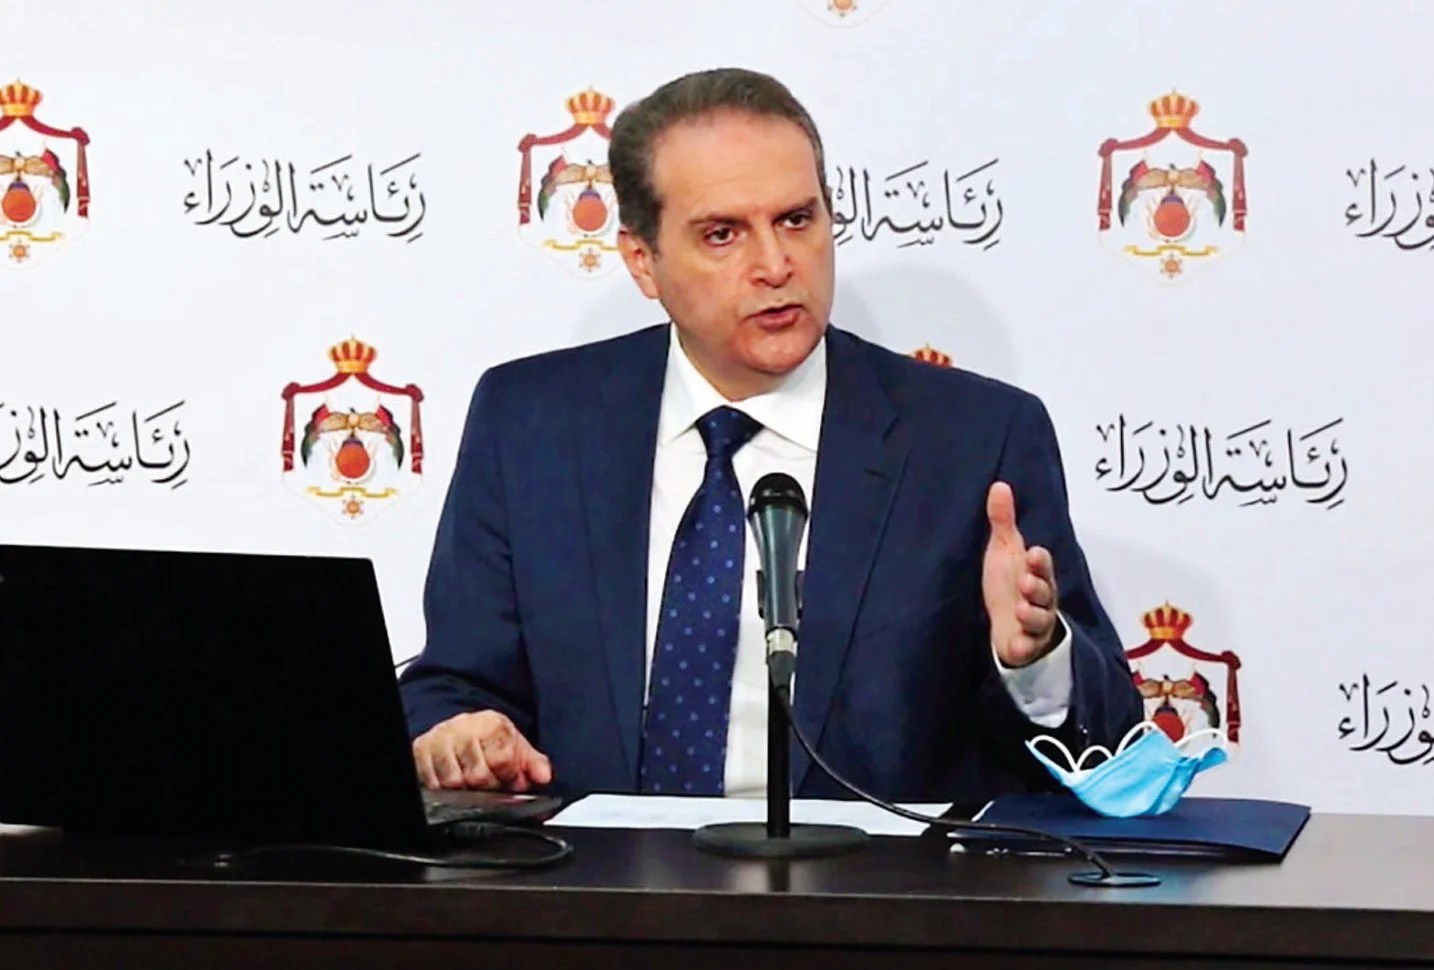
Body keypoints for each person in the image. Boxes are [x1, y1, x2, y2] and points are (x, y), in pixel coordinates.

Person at [398, 67, 1142, 803]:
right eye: (723, 234)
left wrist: (1036, 660)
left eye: (796, 220)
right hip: (593, 872)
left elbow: (1112, 742)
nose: (776, 265)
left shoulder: (973, 441)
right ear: (642, 262)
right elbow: (453, 682)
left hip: (873, 877)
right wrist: (460, 733)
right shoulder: (530, 423)